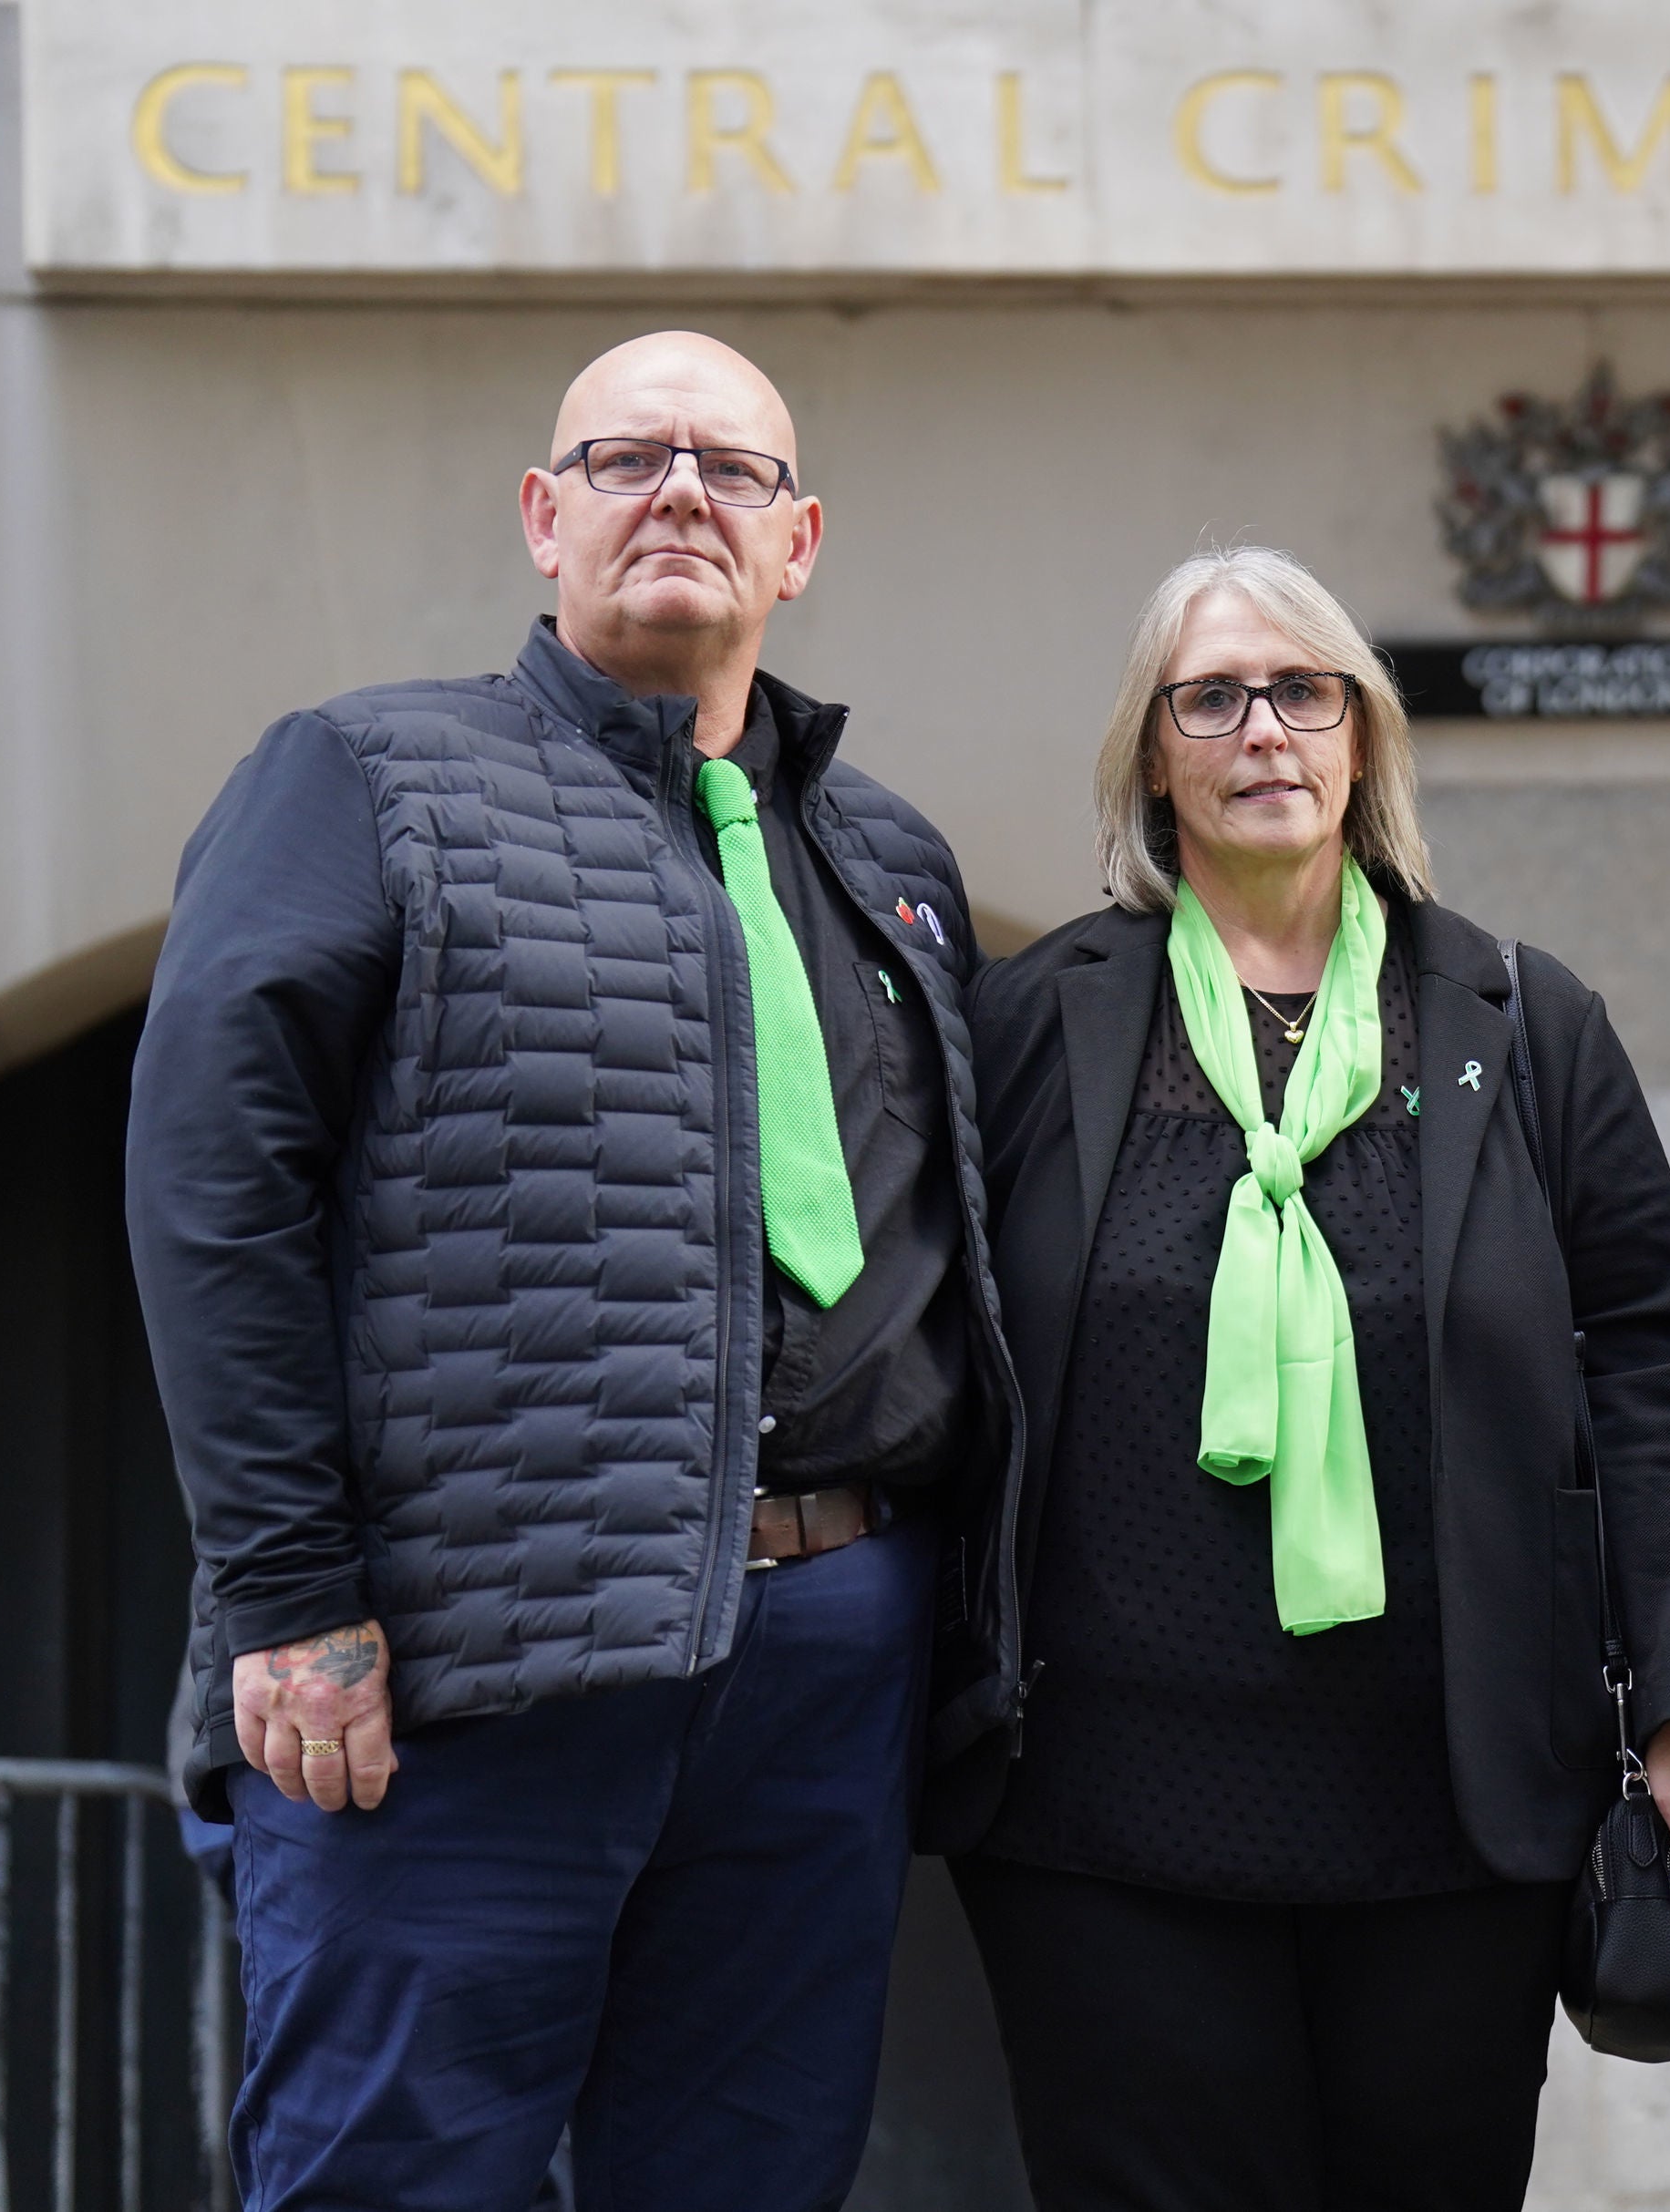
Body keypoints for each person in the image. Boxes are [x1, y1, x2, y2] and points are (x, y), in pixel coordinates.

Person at [123, 330, 1019, 2212]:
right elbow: (218, 1195)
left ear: (802, 542)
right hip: (457, 1666)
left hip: (829, 1655)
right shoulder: (362, 775)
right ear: (545, 516)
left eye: (733, 468)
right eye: (627, 458)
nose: (680, 490)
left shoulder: (886, 858)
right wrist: (292, 1592)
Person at [938, 545, 1670, 2210]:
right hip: (1102, 1815)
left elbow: (1651, 1360)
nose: (1261, 729)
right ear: (1155, 755)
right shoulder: (1038, 1018)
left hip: (1449, 1806)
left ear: (1364, 737)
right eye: (1210, 698)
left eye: (1303, 691)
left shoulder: (1521, 1017)